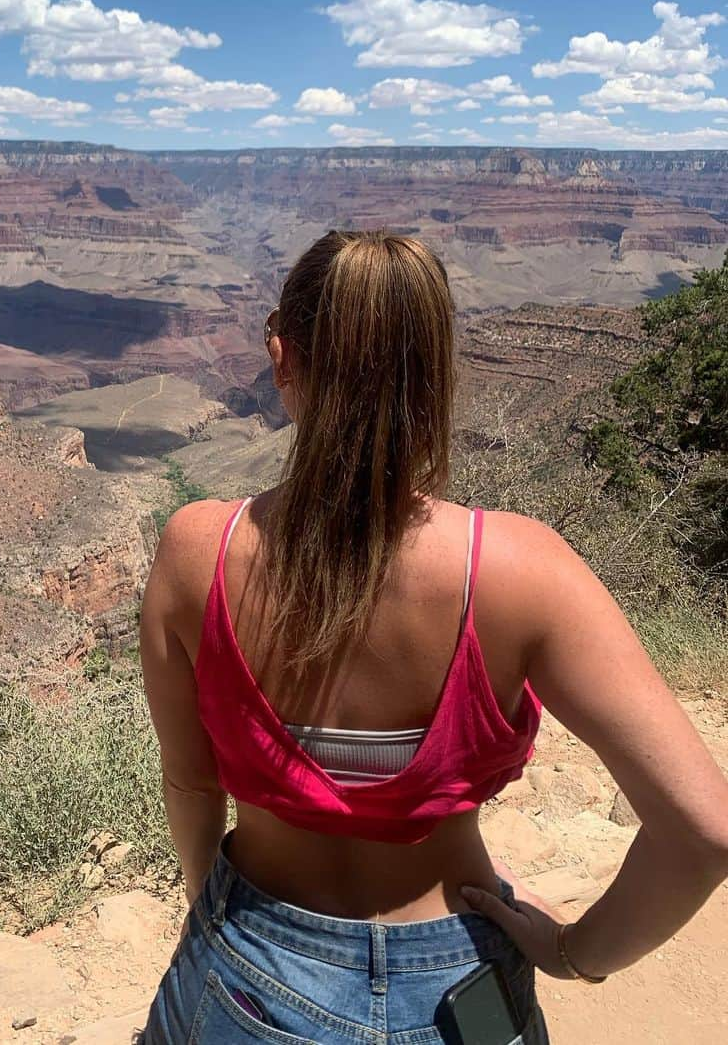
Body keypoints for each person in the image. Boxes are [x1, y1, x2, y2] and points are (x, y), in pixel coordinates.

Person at [139, 230, 728, 1044]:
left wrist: (216, 918)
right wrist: (574, 954)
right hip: (459, 987)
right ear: (437, 372)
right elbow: (704, 832)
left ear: (282, 358)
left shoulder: (194, 551)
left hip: (250, 974)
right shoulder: (523, 571)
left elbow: (192, 786)